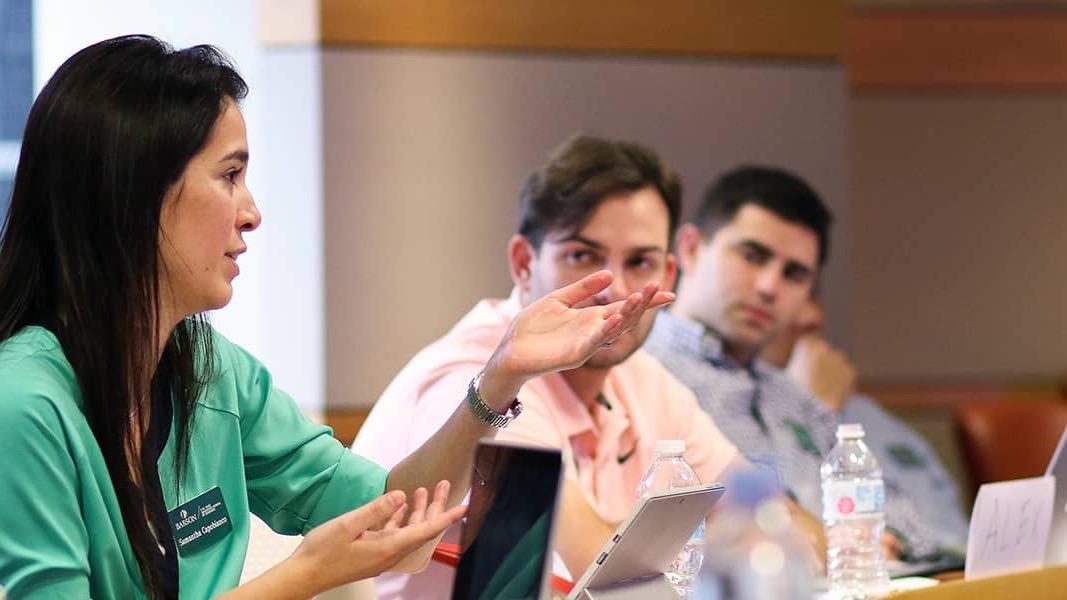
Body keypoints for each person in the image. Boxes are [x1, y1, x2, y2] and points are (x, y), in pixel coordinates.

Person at [0, 37, 670, 599]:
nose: (252, 213)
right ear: (134, 196)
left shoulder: (210, 372)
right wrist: (305, 576)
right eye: (229, 176)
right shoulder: (25, 402)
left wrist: (500, 379)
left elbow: (390, 519)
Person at [354, 134, 761, 598]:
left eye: (640, 262)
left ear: (668, 275)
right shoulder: (482, 377)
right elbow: (602, 581)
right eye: (583, 256)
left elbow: (767, 516)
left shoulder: (640, 374)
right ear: (524, 264)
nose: (615, 290)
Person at [644, 165, 965, 561]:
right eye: (752, 256)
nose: (769, 287)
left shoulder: (792, 396)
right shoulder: (642, 373)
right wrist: (836, 543)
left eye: (794, 275)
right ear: (691, 248)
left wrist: (866, 540)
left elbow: (908, 521)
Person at [761, 298, 968, 559]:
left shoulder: (870, 415)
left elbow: (955, 532)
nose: (812, 317)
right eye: (791, 300)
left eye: (812, 297)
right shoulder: (738, 421)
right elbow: (787, 532)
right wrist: (810, 408)